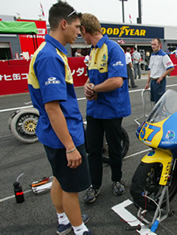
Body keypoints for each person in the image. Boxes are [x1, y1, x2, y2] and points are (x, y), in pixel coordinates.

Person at [27, 2, 92, 234]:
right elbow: (53, 108)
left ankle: (64, 219)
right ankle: (78, 228)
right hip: (63, 134)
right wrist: (70, 146)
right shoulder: (49, 57)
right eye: (76, 26)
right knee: (71, 188)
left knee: (60, 178)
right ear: (63, 24)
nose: (78, 31)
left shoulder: (49, 52)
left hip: (54, 131)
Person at [80, 13, 131, 204]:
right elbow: (91, 77)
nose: (80, 36)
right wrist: (87, 85)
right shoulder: (93, 51)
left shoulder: (113, 48)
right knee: (92, 150)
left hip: (111, 109)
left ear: (85, 30)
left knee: (114, 148)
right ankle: (94, 185)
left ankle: (117, 180)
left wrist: (94, 88)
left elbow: (117, 81)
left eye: (80, 32)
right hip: (94, 109)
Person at [145, 38, 174, 103]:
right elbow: (150, 69)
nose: (153, 46)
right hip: (152, 81)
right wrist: (148, 83)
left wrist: (162, 77)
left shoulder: (164, 55)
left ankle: (161, 113)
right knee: (154, 101)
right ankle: (157, 113)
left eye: (155, 44)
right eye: (152, 44)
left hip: (159, 82)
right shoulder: (152, 55)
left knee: (160, 102)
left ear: (159, 45)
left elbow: (171, 68)